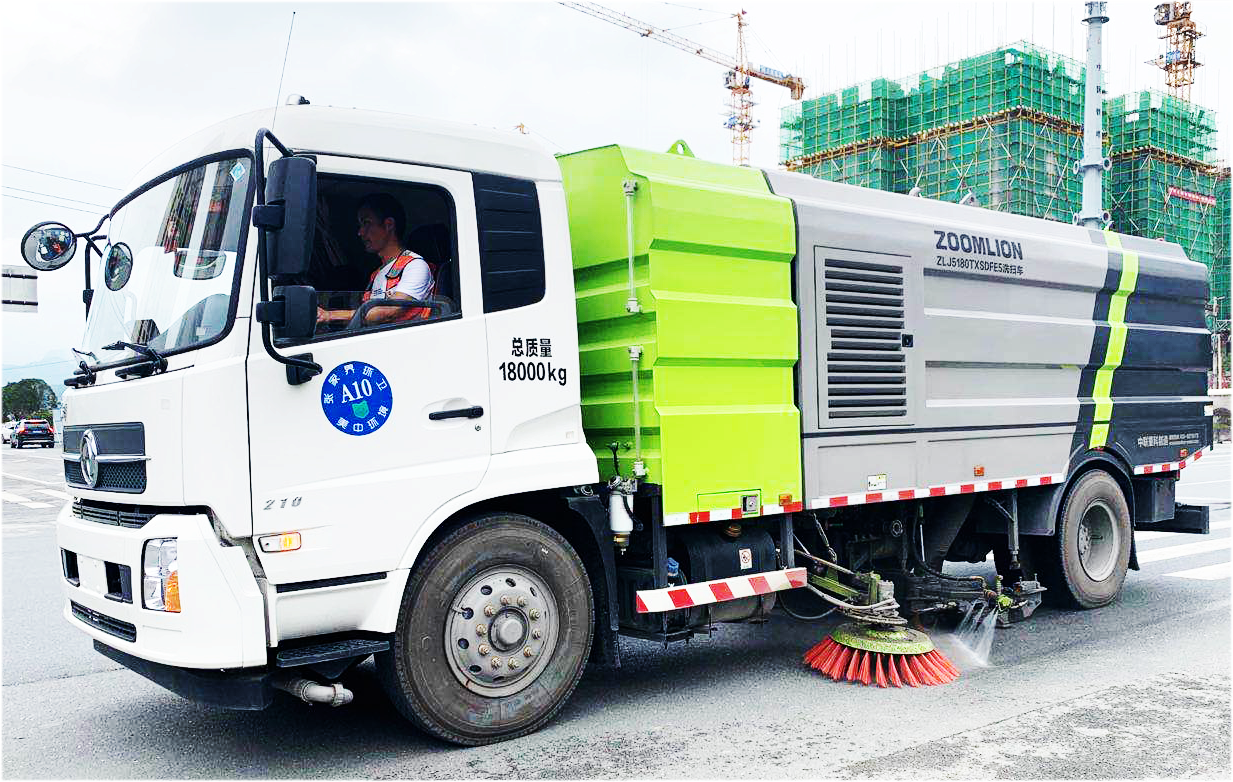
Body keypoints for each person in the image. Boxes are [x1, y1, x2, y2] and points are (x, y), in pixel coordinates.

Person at [316, 194, 435, 328]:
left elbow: (389, 312)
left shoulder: (415, 265)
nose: (360, 232)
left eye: (366, 223)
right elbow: (366, 317)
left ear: (389, 225)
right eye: (360, 225)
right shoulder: (377, 274)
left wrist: (330, 315)